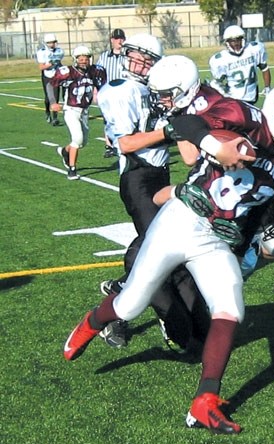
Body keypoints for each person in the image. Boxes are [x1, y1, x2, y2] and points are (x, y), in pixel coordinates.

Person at [63, 60, 274, 434]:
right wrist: (212, 147)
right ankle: (91, 323)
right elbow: (186, 123)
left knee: (230, 308)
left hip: (216, 238)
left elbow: (254, 207)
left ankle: (205, 401)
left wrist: (244, 237)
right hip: (183, 219)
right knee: (132, 302)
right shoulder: (243, 115)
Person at [97, 36, 211, 350]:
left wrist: (186, 119)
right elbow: (124, 143)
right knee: (156, 249)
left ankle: (124, 293)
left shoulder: (158, 89)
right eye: (136, 55)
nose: (139, 63)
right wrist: (167, 131)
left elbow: (188, 156)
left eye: (148, 60)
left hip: (161, 176)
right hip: (137, 177)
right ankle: (120, 307)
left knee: (161, 247)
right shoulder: (121, 90)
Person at [48, 45, 107, 180]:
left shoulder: (95, 71)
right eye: (80, 58)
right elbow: (50, 84)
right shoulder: (68, 71)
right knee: (78, 139)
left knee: (82, 142)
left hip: (85, 111)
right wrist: (52, 102)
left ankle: (64, 151)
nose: (83, 61)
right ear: (75, 59)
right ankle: (72, 169)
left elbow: (102, 86)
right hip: (71, 109)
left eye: (86, 58)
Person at [208, 25, 271, 105]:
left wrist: (267, 87)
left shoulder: (253, 49)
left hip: (251, 95)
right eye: (232, 41)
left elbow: (264, 68)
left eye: (238, 40)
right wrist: (223, 92)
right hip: (234, 98)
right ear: (227, 43)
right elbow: (217, 82)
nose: (236, 43)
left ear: (243, 39)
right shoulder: (221, 60)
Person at [96, 28, 126, 158]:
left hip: (125, 91)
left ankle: (123, 143)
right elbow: (97, 73)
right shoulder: (104, 56)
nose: (119, 41)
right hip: (109, 91)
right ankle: (109, 145)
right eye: (116, 38)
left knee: (125, 118)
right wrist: (96, 90)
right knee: (108, 119)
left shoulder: (128, 56)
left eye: (121, 38)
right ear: (112, 40)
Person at [36, 33, 64, 126]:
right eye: (49, 43)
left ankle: (55, 118)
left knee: (55, 97)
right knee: (48, 98)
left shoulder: (59, 51)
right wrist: (50, 64)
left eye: (53, 42)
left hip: (56, 75)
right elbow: (41, 67)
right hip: (47, 75)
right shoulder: (42, 52)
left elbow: (59, 62)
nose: (52, 44)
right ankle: (47, 111)